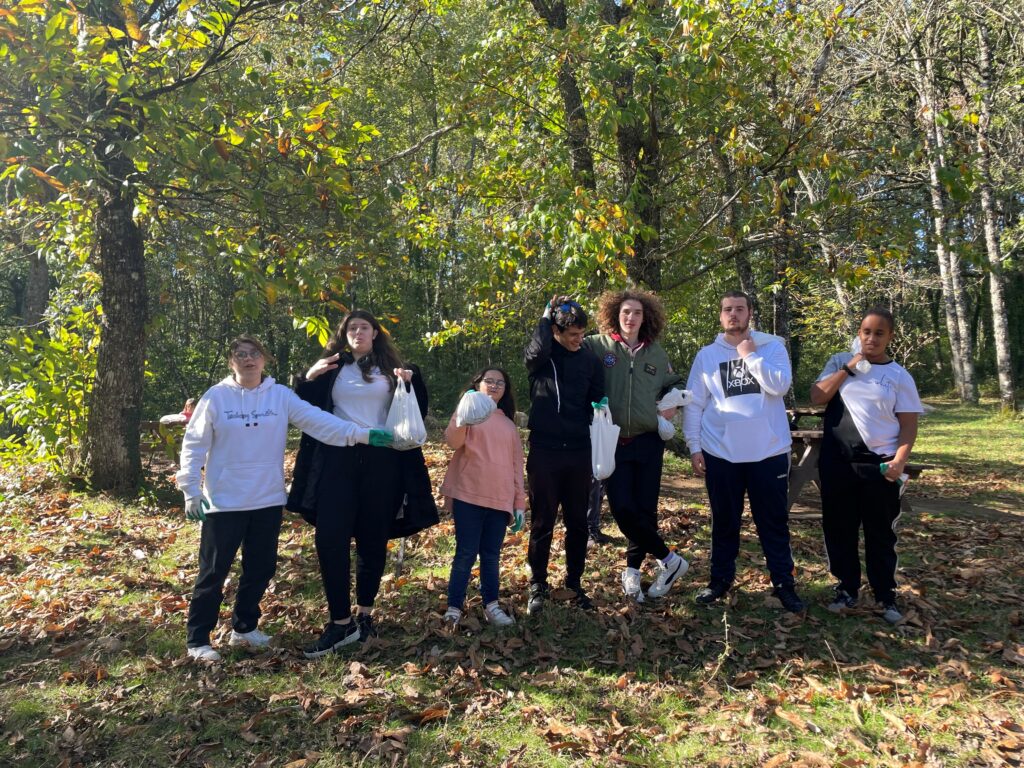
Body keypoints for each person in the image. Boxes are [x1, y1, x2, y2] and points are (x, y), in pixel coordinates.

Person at [176, 335, 388, 663]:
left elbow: (320, 423)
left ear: (264, 359)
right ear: (232, 362)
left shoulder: (279, 396)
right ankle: (198, 639)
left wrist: (361, 434)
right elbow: (194, 444)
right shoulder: (216, 398)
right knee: (213, 572)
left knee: (260, 568)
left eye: (254, 354)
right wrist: (190, 490)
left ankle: (244, 628)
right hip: (225, 501)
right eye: (241, 354)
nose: (248, 359)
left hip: (267, 499)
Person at [292, 310, 428, 658]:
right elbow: (302, 410)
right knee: (330, 536)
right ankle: (340, 622)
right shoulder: (331, 368)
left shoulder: (391, 369)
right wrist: (308, 377)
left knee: (372, 538)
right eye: (351, 328)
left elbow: (416, 413)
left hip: (383, 462)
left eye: (363, 327)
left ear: (375, 333)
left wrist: (411, 383)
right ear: (344, 334)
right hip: (337, 458)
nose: (357, 332)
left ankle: (365, 614)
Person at [683, 291, 804, 613]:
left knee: (773, 522)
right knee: (724, 521)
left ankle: (783, 583)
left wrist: (750, 356)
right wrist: (694, 446)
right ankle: (719, 580)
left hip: (769, 451)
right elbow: (694, 404)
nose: (733, 314)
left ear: (750, 312)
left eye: (739, 309)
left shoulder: (771, 348)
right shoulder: (707, 355)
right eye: (727, 309)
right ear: (720, 316)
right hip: (720, 453)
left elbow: (779, 386)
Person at [810, 307, 923, 624]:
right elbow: (817, 397)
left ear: (890, 337)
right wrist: (848, 367)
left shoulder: (899, 376)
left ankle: (886, 595)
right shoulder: (839, 362)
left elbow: (909, 425)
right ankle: (846, 589)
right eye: (866, 332)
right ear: (858, 334)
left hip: (881, 466)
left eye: (878, 333)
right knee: (839, 528)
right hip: (837, 463)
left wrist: (900, 461)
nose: (871, 338)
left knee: (880, 533)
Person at [583, 289, 689, 604]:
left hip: (648, 441)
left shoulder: (656, 354)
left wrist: (673, 401)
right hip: (613, 440)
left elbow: (676, 383)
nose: (631, 318)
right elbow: (567, 352)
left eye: (637, 313)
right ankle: (669, 560)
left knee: (645, 511)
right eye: (626, 312)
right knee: (621, 508)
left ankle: (633, 574)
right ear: (616, 314)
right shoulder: (596, 346)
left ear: (646, 317)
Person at [523, 296, 604, 615]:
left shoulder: (590, 360)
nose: (578, 340)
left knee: (578, 522)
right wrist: (544, 318)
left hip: (579, 450)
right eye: (572, 334)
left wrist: (600, 412)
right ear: (555, 330)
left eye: (582, 334)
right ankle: (538, 584)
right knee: (542, 519)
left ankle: (574, 582)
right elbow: (535, 351)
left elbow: (599, 397)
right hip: (544, 450)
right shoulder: (541, 358)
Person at [440, 368, 525, 628]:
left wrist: (519, 504)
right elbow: (452, 441)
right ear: (477, 385)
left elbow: (516, 468)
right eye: (489, 381)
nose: (494, 385)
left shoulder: (509, 425)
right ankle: (454, 607)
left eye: (500, 382)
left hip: (499, 501)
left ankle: (492, 605)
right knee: (465, 553)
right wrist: (462, 415)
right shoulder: (469, 416)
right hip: (469, 496)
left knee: (491, 555)